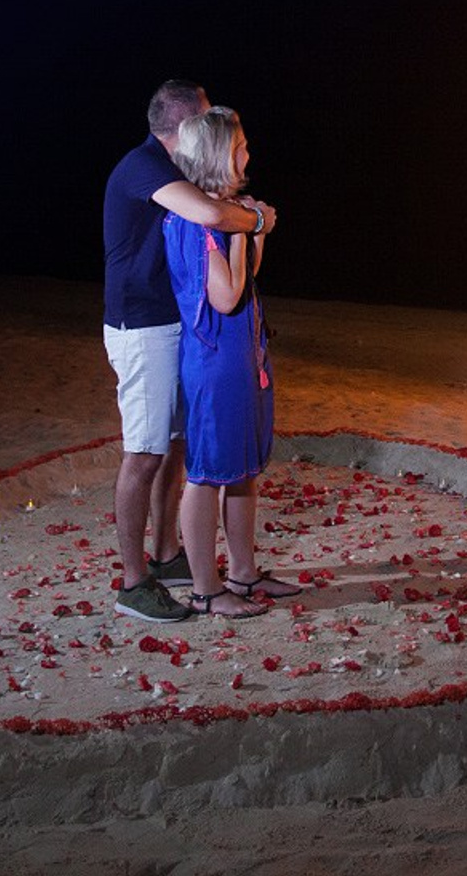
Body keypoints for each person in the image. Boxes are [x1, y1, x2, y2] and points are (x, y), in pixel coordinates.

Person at [103, 80, 276, 623]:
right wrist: (256, 221)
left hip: (176, 323)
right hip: (142, 327)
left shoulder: (174, 170)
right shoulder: (144, 166)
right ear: (187, 129)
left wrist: (242, 218)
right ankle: (134, 582)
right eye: (206, 118)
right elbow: (211, 217)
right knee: (145, 452)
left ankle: (167, 554)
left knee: (178, 447)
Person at [164, 106, 298, 618]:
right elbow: (225, 297)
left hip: (242, 355)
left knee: (241, 469)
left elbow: (246, 277)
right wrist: (245, 229)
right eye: (239, 146)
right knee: (205, 473)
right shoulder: (197, 219)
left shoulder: (223, 210)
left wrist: (252, 231)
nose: (247, 153)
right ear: (218, 154)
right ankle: (205, 588)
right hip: (215, 361)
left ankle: (243, 572)